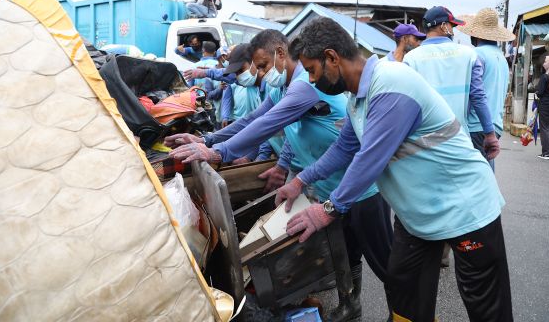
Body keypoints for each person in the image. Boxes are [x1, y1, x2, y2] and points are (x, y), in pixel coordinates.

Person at [286, 16, 512, 322]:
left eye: (312, 70)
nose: (311, 80)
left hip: (464, 208)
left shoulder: (392, 83)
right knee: (404, 291)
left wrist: (328, 209)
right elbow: (343, 149)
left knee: (486, 305)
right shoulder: (357, 100)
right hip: (418, 215)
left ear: (332, 57)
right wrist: (300, 180)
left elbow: (370, 158)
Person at [166, 30, 393, 320]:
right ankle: (351, 303)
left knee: (383, 260)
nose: (261, 74)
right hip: (327, 185)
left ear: (281, 53)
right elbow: (255, 120)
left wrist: (219, 152)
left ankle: (401, 312)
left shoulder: (305, 85)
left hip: (361, 187)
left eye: (263, 65)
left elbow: (270, 124)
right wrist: (208, 140)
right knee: (345, 251)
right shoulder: (280, 89)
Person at [404, 6, 500, 159]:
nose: (453, 31)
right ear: (443, 26)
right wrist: (489, 133)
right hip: (458, 140)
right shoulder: (468, 55)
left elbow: (407, 102)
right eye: (452, 26)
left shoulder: (411, 58)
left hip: (422, 143)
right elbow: (478, 97)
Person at [457, 8, 515, 169]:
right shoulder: (502, 59)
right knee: (486, 171)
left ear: (476, 34)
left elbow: (475, 93)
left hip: (477, 124)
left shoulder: (476, 55)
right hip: (495, 124)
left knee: (474, 174)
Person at [536, 55, 549, 159]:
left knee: (544, 128)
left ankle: (547, 152)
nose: (543, 63)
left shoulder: (545, 77)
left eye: (545, 61)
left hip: (545, 105)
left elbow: (540, 93)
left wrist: (537, 92)